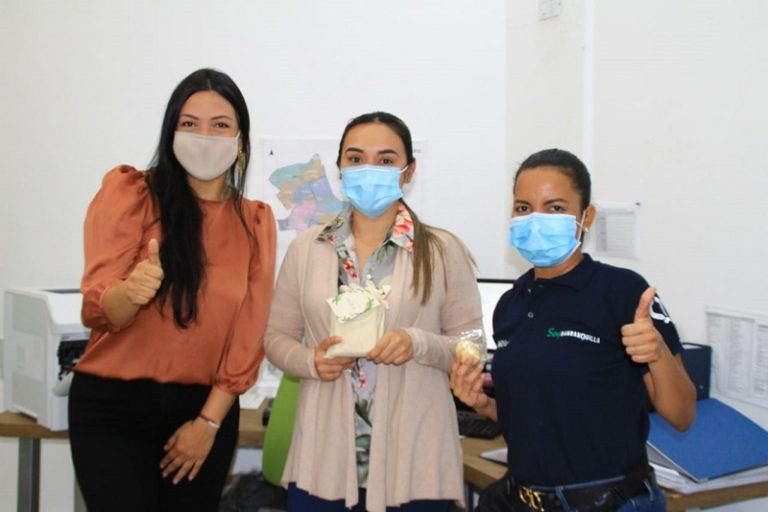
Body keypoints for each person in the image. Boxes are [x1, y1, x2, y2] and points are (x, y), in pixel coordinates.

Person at [70, 68, 277, 512]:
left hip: (205, 411)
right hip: (113, 405)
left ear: (240, 142)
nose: (205, 136)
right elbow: (99, 308)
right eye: (189, 124)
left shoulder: (255, 221)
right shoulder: (131, 194)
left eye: (220, 125)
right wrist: (132, 290)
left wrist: (207, 422)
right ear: (171, 133)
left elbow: (248, 334)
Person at [451, 148, 697, 512]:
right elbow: (533, 419)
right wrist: (483, 404)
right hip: (524, 497)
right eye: (523, 207)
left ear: (586, 216)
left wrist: (657, 352)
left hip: (607, 500)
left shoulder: (622, 291)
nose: (535, 219)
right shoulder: (511, 304)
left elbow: (682, 414)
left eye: (554, 208)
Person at [264, 111, 483, 512]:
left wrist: (417, 343)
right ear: (340, 169)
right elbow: (276, 338)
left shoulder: (442, 250)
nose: (369, 170)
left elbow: (472, 346)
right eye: (355, 158)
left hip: (416, 459)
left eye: (385, 160)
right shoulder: (306, 249)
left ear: (408, 171)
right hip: (322, 459)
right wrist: (310, 361)